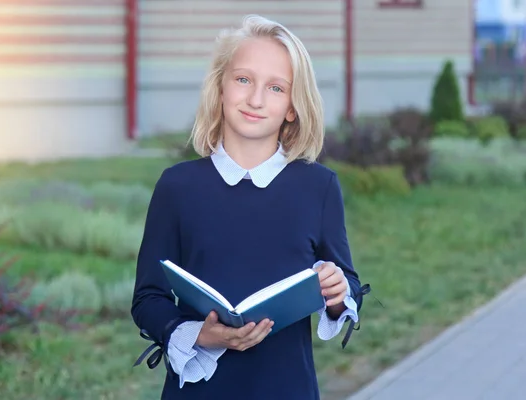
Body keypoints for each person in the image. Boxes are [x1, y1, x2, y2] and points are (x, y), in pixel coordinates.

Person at [131, 14, 368, 400]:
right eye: (243, 80)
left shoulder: (318, 187)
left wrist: (340, 293)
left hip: (286, 386)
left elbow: (347, 283)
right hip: (199, 390)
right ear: (221, 88)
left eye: (276, 88)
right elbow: (148, 299)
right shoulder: (177, 186)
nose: (256, 99)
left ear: (292, 107)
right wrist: (197, 333)